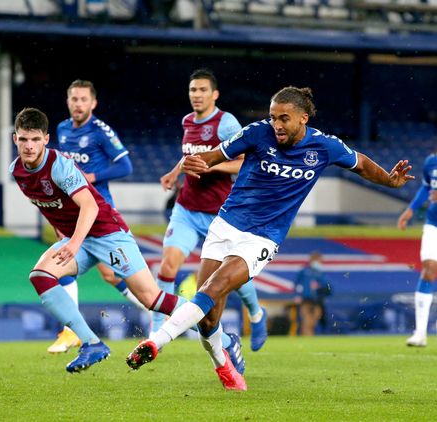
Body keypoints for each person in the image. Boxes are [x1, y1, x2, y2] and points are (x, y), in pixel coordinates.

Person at [126, 86, 414, 391]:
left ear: (303, 118)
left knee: (215, 287)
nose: (276, 124)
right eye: (273, 117)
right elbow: (215, 155)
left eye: (284, 118)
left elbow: (362, 165)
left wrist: (389, 180)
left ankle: (155, 343)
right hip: (225, 225)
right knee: (208, 319)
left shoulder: (324, 147)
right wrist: (198, 163)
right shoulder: (256, 133)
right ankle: (224, 364)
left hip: (262, 238)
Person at [10, 107, 244, 373]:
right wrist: (63, 235)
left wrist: (71, 244)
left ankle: (225, 340)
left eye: (35, 139)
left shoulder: (59, 165)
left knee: (152, 299)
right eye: (24, 139)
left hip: (108, 232)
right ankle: (91, 344)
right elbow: (50, 205)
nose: (29, 146)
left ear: (46, 139)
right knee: (41, 275)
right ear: (14, 139)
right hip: (81, 238)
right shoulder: (17, 170)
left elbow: (90, 207)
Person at [153, 68, 268, 352]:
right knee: (168, 265)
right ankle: (156, 330)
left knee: (231, 279)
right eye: (193, 90)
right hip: (186, 209)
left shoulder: (226, 123)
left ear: (214, 94)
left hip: (220, 214)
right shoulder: (187, 121)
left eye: (203, 90)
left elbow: (244, 162)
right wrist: (174, 173)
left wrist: (212, 164)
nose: (197, 95)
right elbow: (190, 156)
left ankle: (256, 314)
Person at [48, 79, 145, 354]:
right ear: (68, 102)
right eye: (74, 99)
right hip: (72, 212)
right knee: (61, 263)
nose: (78, 104)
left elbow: (125, 166)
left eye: (83, 100)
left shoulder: (101, 131)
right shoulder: (63, 129)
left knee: (115, 276)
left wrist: (92, 176)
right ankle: (70, 332)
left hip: (99, 214)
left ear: (93, 103)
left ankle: (158, 313)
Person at [397, 152, 437, 347]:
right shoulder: (430, 162)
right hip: (433, 223)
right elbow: (426, 187)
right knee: (429, 270)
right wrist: (410, 210)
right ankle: (420, 333)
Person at [294, 251, 331, 336]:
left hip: (317, 301)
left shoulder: (321, 273)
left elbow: (328, 287)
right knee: (306, 320)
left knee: (313, 321)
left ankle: (309, 337)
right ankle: (306, 337)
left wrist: (320, 288)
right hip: (306, 300)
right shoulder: (304, 272)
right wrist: (297, 295)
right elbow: (297, 284)